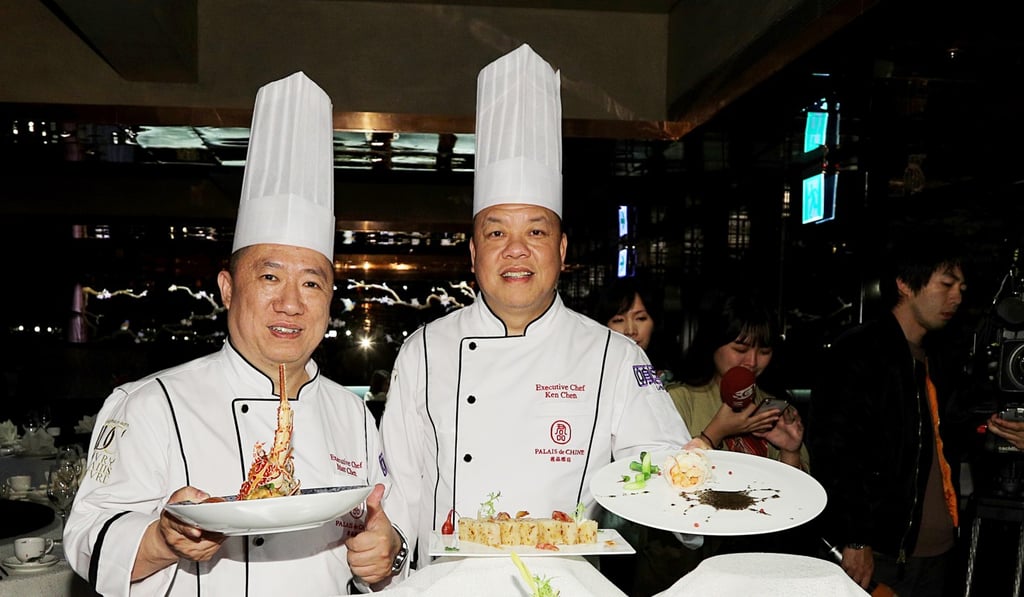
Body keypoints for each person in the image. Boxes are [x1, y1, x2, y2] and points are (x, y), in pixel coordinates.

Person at [63, 72, 406, 596]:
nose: (290, 302)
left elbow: (383, 547)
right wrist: (161, 539)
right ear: (227, 288)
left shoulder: (353, 415)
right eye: (269, 276)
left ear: (329, 301)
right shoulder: (149, 403)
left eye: (311, 282)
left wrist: (387, 557)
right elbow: (87, 539)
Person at [378, 44, 694, 569]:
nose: (516, 249)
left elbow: (658, 463)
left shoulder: (613, 356)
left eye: (536, 231)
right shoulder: (424, 351)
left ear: (562, 251)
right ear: (475, 252)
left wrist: (687, 471)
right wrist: (386, 555)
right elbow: (400, 495)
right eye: (496, 231)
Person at [808, 232, 971, 596]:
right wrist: (855, 537)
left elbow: (949, 443)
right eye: (946, 284)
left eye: (961, 286)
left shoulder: (942, 358)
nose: (957, 296)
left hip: (938, 551)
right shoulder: (859, 353)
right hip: (879, 553)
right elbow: (836, 452)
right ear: (905, 284)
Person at [670, 290, 808, 471]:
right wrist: (715, 433)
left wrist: (790, 452)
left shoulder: (777, 409)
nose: (752, 362)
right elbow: (666, 476)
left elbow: (798, 495)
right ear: (712, 344)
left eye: (764, 352)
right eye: (740, 350)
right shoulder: (678, 400)